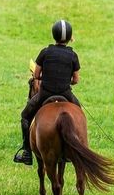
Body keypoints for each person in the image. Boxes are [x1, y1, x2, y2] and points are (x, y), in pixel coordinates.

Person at [13, 19, 80, 165]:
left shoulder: (45, 52)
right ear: (69, 37)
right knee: (79, 114)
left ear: (54, 35)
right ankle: (77, 147)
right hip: (66, 93)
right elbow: (76, 80)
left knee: (25, 116)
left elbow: (36, 75)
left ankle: (27, 152)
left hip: (45, 93)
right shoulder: (73, 55)